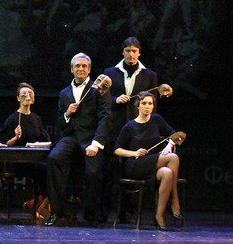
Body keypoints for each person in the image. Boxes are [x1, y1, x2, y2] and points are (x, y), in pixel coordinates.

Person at [98, 36, 164, 222]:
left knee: (132, 170)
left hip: (138, 131)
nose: (131, 54)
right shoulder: (110, 72)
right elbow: (100, 98)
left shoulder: (149, 75)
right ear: (123, 52)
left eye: (134, 51)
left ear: (139, 53)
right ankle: (103, 212)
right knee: (110, 172)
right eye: (128, 51)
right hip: (115, 128)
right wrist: (114, 99)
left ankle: (127, 213)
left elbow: (152, 106)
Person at [44, 52, 111, 226]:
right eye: (77, 66)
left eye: (84, 66)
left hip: (90, 138)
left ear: (89, 69)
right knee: (54, 158)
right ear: (71, 69)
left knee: (93, 173)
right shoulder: (64, 93)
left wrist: (96, 144)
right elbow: (60, 123)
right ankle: (56, 211)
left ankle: (90, 213)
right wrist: (67, 113)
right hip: (70, 137)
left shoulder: (99, 89)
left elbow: (105, 118)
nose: (80, 69)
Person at [114, 92, 183, 230]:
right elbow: (117, 150)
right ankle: (174, 200)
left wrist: (169, 145)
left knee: (167, 173)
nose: (147, 106)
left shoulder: (157, 119)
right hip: (135, 164)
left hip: (153, 163)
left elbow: (176, 135)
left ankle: (159, 215)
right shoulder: (130, 126)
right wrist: (134, 152)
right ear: (137, 106)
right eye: (144, 103)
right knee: (173, 158)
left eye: (150, 103)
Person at [0, 82, 51, 217]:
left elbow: (46, 140)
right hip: (18, 162)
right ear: (18, 98)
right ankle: (42, 201)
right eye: (24, 95)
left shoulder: (36, 119)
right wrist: (15, 138)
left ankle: (41, 200)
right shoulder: (13, 118)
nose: (28, 97)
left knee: (51, 168)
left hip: (35, 161)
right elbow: (3, 143)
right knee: (44, 170)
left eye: (30, 94)